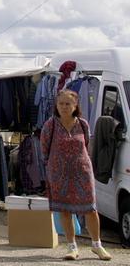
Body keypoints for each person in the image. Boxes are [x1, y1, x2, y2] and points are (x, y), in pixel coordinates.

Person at [41, 90, 111, 261]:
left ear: (75, 105)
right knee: (65, 210)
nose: (64, 107)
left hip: (82, 173)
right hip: (59, 174)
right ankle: (72, 247)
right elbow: (44, 149)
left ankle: (97, 245)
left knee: (90, 209)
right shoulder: (50, 125)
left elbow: (86, 146)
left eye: (68, 104)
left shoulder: (83, 124)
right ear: (56, 106)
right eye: (61, 104)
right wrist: (53, 168)